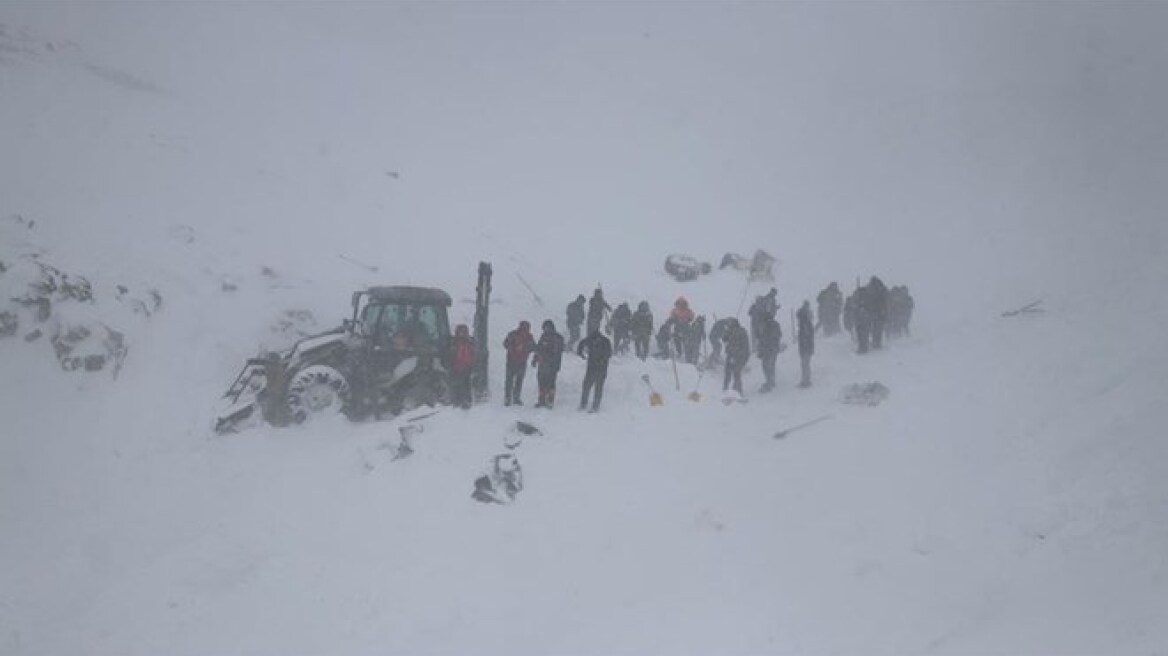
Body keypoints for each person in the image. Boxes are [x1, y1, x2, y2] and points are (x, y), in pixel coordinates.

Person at [577, 328, 612, 412]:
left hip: (593, 367)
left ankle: (584, 404)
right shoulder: (605, 341)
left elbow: (581, 343)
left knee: (587, 386)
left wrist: (580, 353)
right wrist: (602, 360)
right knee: (598, 387)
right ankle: (595, 406)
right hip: (601, 368)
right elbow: (609, 354)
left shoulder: (591, 340)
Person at [531, 320, 565, 408]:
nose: (545, 329)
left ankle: (550, 400)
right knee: (541, 382)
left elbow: (558, 352)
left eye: (547, 327)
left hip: (551, 364)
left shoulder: (557, 338)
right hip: (543, 363)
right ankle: (542, 399)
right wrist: (535, 359)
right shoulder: (544, 336)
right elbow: (539, 348)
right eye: (545, 328)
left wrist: (555, 364)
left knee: (550, 383)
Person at [502, 320, 535, 405]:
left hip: (512, 360)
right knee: (518, 381)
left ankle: (508, 398)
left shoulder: (513, 334)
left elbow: (505, 344)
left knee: (510, 381)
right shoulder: (529, 336)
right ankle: (515, 398)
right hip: (520, 361)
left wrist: (512, 348)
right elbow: (534, 347)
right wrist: (526, 349)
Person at [449, 324, 476, 409]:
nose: (461, 334)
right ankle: (457, 401)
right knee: (458, 384)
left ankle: (466, 401)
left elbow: (473, 354)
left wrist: (472, 364)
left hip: (465, 367)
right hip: (457, 366)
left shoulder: (469, 342)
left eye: (463, 332)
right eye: (460, 332)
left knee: (465, 384)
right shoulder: (453, 342)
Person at [722, 318, 750, 396]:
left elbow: (744, 346)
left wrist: (740, 355)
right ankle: (725, 389)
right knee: (727, 372)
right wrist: (726, 333)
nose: (728, 325)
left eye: (729, 323)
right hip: (731, 355)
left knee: (736, 373)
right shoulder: (730, 331)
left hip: (739, 356)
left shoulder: (741, 331)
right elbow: (724, 339)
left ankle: (738, 391)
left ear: (734, 323)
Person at [756, 314, 782, 393]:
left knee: (766, 365)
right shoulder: (775, 325)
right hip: (773, 348)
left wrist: (761, 349)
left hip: (768, 349)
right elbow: (779, 335)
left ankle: (769, 382)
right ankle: (771, 381)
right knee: (771, 365)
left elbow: (761, 338)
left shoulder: (767, 326)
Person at [748, 287, 779, 352]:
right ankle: (757, 348)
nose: (758, 302)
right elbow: (750, 313)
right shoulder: (765, 301)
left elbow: (750, 313)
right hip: (758, 323)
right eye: (757, 300)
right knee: (758, 335)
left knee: (758, 335)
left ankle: (757, 349)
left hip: (757, 323)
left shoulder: (762, 303)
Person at [867, 276, 889, 350]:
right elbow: (887, 299)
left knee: (872, 327)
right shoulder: (882, 288)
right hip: (881, 311)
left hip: (872, 311)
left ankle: (874, 342)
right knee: (878, 328)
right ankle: (877, 343)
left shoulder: (869, 288)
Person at [797, 300, 815, 388]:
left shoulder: (804, 324)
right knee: (805, 363)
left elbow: (806, 336)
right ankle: (805, 380)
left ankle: (806, 381)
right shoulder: (807, 322)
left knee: (805, 364)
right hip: (806, 346)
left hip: (805, 346)